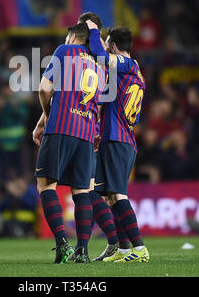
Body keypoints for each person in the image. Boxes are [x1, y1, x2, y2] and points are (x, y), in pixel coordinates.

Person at [34, 23, 106, 264]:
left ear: (73, 36)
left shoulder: (65, 50)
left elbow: (45, 88)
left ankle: (62, 245)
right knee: (82, 191)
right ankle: (83, 251)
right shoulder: (101, 66)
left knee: (46, 186)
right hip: (86, 132)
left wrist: (47, 116)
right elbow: (98, 104)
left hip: (61, 127)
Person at [86, 20, 150, 263]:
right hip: (115, 138)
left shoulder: (128, 64)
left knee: (118, 195)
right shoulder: (128, 71)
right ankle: (124, 248)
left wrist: (93, 29)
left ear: (113, 46)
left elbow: (102, 58)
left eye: (106, 43)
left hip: (119, 139)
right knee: (110, 196)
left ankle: (140, 248)